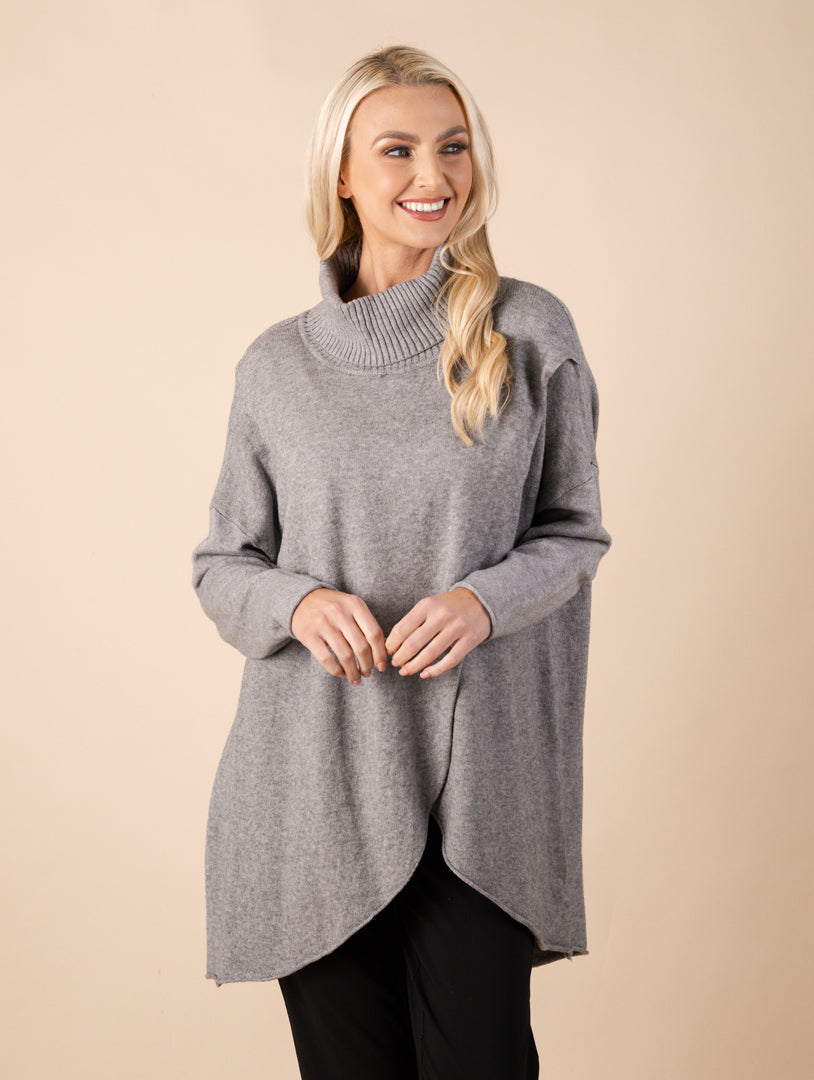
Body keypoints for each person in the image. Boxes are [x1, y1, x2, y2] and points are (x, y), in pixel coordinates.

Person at [191, 43, 612, 1080]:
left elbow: (574, 532)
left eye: (453, 147)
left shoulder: (527, 331)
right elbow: (222, 563)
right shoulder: (276, 366)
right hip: (311, 783)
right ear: (342, 173)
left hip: (481, 791)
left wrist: (482, 600)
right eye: (398, 150)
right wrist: (296, 603)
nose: (434, 176)